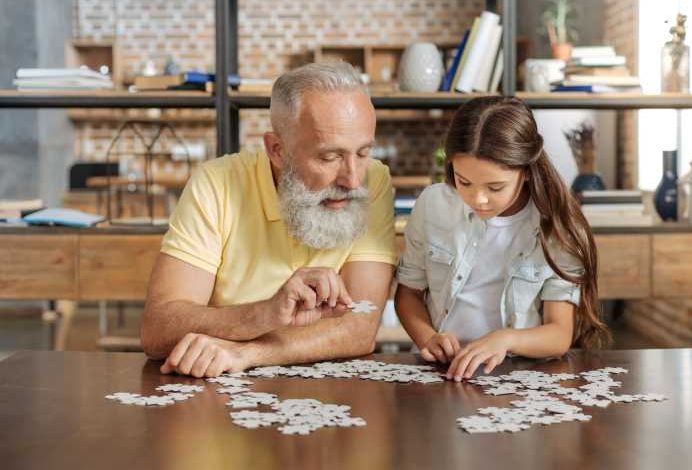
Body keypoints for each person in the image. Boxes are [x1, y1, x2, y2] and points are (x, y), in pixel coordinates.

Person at [141, 62, 397, 378]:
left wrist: (249, 352)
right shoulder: (216, 183)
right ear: (277, 149)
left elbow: (360, 328)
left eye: (362, 153)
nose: (354, 179)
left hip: (333, 400)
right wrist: (265, 313)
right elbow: (157, 329)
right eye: (329, 157)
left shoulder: (375, 180)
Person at [395, 96, 609, 382]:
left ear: (527, 172)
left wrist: (505, 339)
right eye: (464, 182)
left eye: (495, 187)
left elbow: (559, 333)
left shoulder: (556, 228)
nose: (478, 199)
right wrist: (427, 338)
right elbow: (408, 294)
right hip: (442, 373)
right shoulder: (432, 205)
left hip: (520, 374)